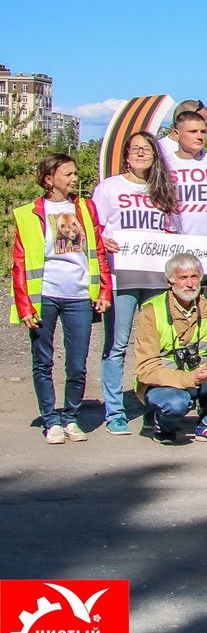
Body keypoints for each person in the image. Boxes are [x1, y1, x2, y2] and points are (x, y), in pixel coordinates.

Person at [12, 154, 111, 443]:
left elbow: (98, 251)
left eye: (75, 173)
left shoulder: (84, 208)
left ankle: (70, 417)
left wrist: (103, 290)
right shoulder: (28, 214)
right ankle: (51, 420)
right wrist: (24, 305)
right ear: (48, 179)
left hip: (79, 296)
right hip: (45, 296)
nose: (74, 179)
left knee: (77, 362)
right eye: (67, 174)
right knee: (43, 360)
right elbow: (19, 263)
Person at [93, 129, 182, 435]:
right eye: (135, 149)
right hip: (121, 278)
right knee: (117, 345)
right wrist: (103, 241)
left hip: (156, 279)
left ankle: (151, 404)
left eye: (147, 149)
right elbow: (95, 229)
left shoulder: (164, 190)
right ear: (126, 156)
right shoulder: (109, 188)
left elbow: (175, 233)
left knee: (154, 346)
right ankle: (115, 410)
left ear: (156, 154)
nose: (141, 153)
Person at [131, 252, 207, 444]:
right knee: (176, 404)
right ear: (170, 282)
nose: (190, 284)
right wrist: (190, 378)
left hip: (205, 375)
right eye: (183, 278)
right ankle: (162, 424)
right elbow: (146, 370)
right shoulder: (151, 312)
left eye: (194, 277)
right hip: (167, 382)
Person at [164, 109, 207, 293]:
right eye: (193, 131)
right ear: (177, 134)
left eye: (203, 131)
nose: (200, 136)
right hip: (175, 253)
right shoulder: (163, 165)